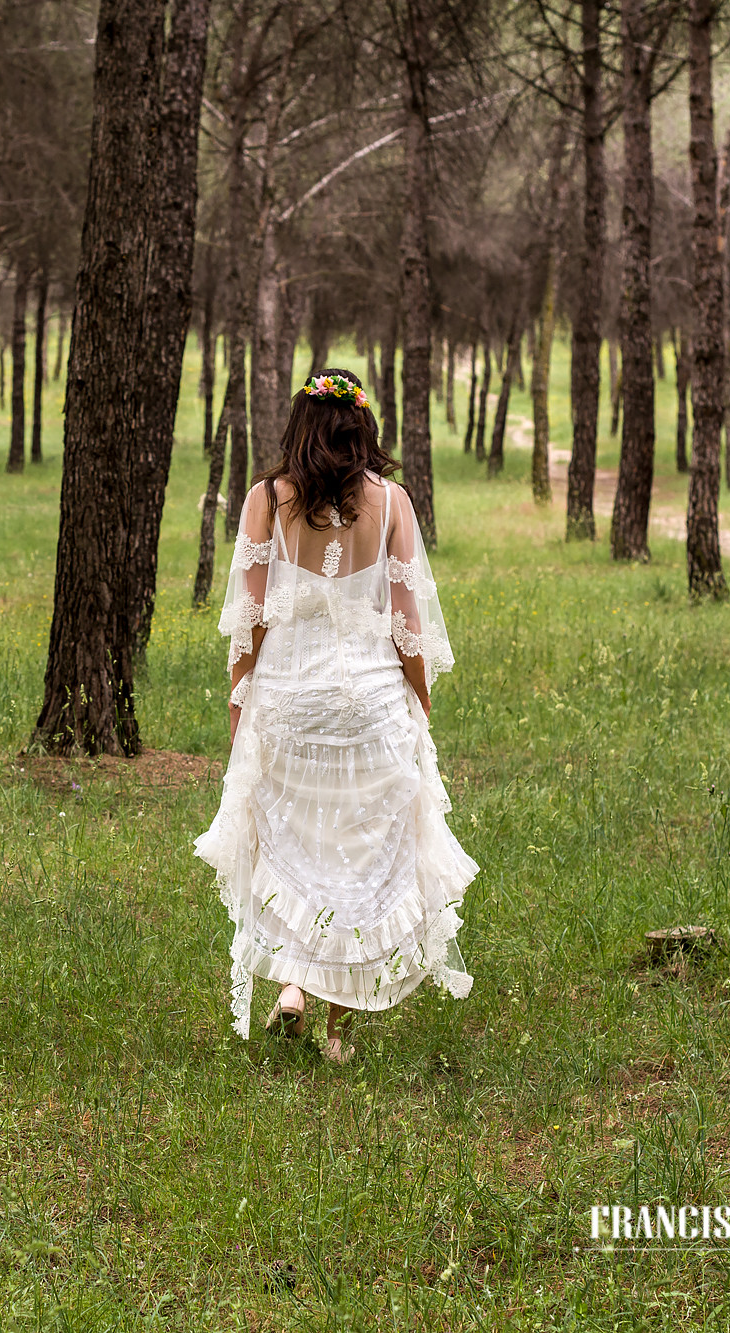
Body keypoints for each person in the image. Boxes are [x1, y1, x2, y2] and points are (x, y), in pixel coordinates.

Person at [194, 369, 476, 1064]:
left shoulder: (267, 499)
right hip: (367, 703)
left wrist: (239, 693)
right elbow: (407, 619)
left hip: (290, 698)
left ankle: (292, 985)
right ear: (362, 427)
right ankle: (336, 1032)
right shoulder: (393, 502)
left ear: (302, 425)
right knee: (357, 855)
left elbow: (251, 614)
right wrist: (419, 696)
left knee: (292, 846)